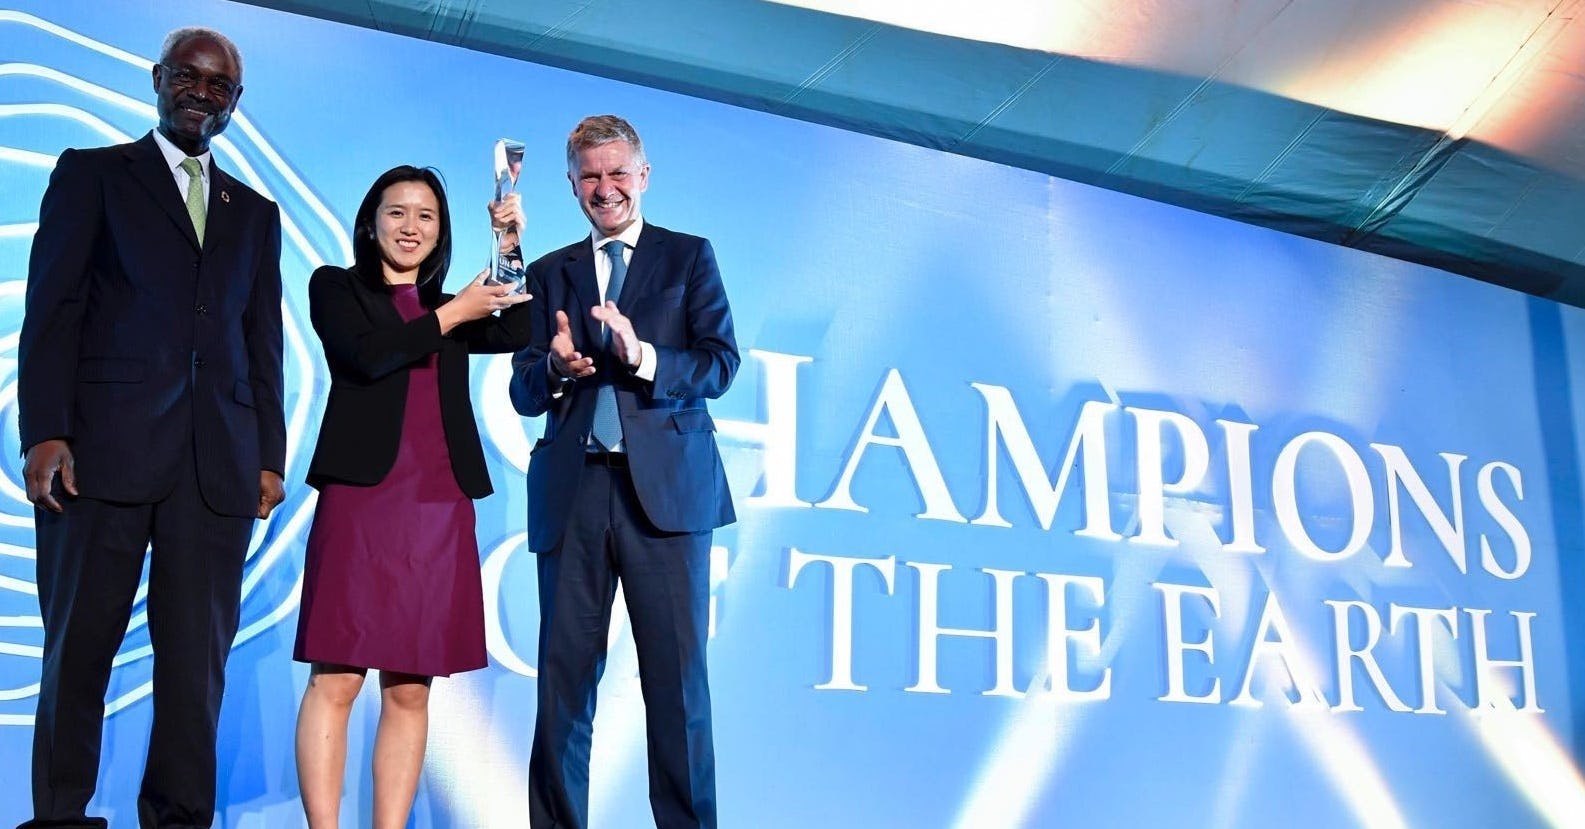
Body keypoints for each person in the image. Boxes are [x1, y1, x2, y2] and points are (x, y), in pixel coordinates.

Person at [15, 26, 285, 829]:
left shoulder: (255, 213)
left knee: (196, 667)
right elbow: (52, 312)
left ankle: (177, 818)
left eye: (220, 87)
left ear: (235, 104)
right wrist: (44, 431)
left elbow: (260, 341)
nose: (202, 94)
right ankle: (60, 816)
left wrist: (267, 454)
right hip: (98, 454)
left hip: (217, 470)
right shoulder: (92, 175)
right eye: (189, 78)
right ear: (159, 78)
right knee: (78, 652)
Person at [509, 115, 738, 829]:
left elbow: (719, 364)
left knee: (676, 688)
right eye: (590, 176)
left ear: (643, 175)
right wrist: (553, 366)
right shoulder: (549, 272)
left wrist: (642, 357)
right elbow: (522, 390)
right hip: (573, 489)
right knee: (563, 685)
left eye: (617, 173)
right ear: (571, 183)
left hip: (666, 497)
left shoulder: (689, 257)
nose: (604, 188)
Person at [291, 165, 532, 828]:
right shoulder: (335, 287)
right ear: (371, 222)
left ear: (440, 232)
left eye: (425, 216)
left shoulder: (448, 305)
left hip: (436, 505)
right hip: (362, 502)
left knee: (409, 686)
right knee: (336, 678)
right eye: (397, 212)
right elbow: (367, 356)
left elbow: (515, 331)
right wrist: (453, 312)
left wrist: (508, 244)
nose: (410, 227)